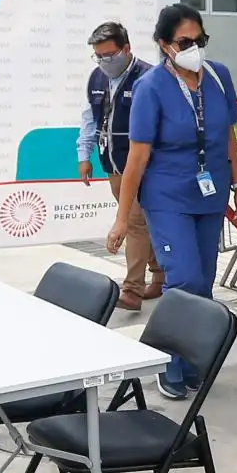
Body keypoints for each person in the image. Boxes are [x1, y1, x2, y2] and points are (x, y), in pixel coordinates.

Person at [108, 4, 237, 400]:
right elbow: (137, 158)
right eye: (184, 42)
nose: (194, 48)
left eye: (199, 40)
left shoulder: (218, 77)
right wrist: (122, 219)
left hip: (210, 193)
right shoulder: (152, 87)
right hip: (167, 196)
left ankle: (193, 358)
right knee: (183, 279)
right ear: (164, 45)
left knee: (203, 283)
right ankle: (166, 359)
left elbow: (226, 137)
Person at [78, 21, 163, 310]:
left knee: (135, 223)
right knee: (143, 224)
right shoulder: (96, 79)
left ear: (126, 49)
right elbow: (90, 119)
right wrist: (84, 155)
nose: (104, 62)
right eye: (99, 56)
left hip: (144, 167)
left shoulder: (149, 78)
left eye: (109, 55)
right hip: (112, 163)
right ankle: (160, 275)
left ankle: (132, 290)